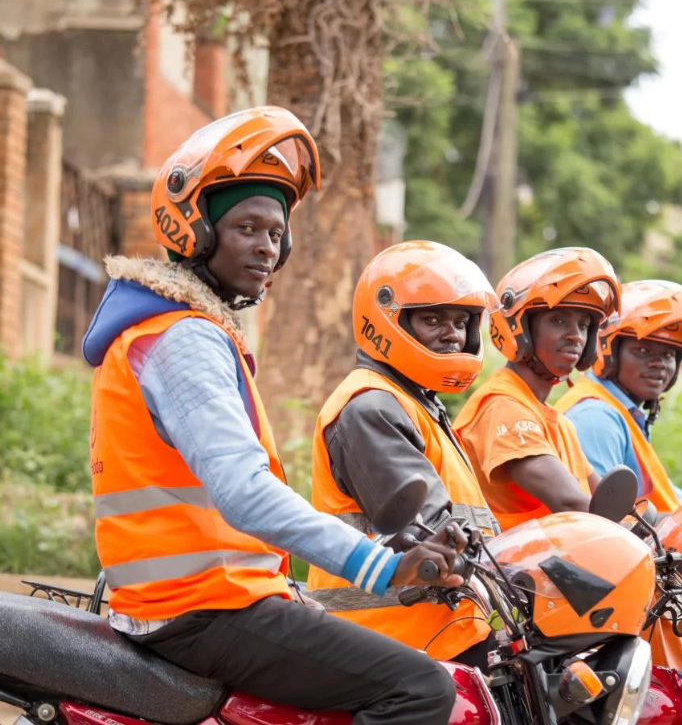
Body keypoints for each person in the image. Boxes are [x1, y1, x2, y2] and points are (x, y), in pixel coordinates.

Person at [83, 108, 462, 725]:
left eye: (276, 232)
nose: (267, 246)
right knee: (420, 688)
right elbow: (244, 494)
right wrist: (382, 566)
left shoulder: (173, 331)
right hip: (201, 610)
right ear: (196, 231)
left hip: (201, 601)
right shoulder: (183, 339)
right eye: (246, 228)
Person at [305, 240, 501, 663]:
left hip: (443, 632)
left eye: (462, 321)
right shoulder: (369, 406)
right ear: (387, 321)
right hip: (390, 641)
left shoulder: (414, 402)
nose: (452, 333)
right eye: (433, 319)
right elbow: (431, 527)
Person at [453, 248, 621, 530]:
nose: (575, 335)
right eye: (558, 321)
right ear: (519, 329)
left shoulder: (560, 425)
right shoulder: (502, 406)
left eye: (583, 324)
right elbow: (571, 503)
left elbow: (602, 501)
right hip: (501, 570)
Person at [555, 280, 682, 512]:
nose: (659, 364)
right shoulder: (596, 417)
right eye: (643, 351)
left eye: (668, 354)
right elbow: (603, 517)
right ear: (610, 353)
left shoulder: (624, 412)